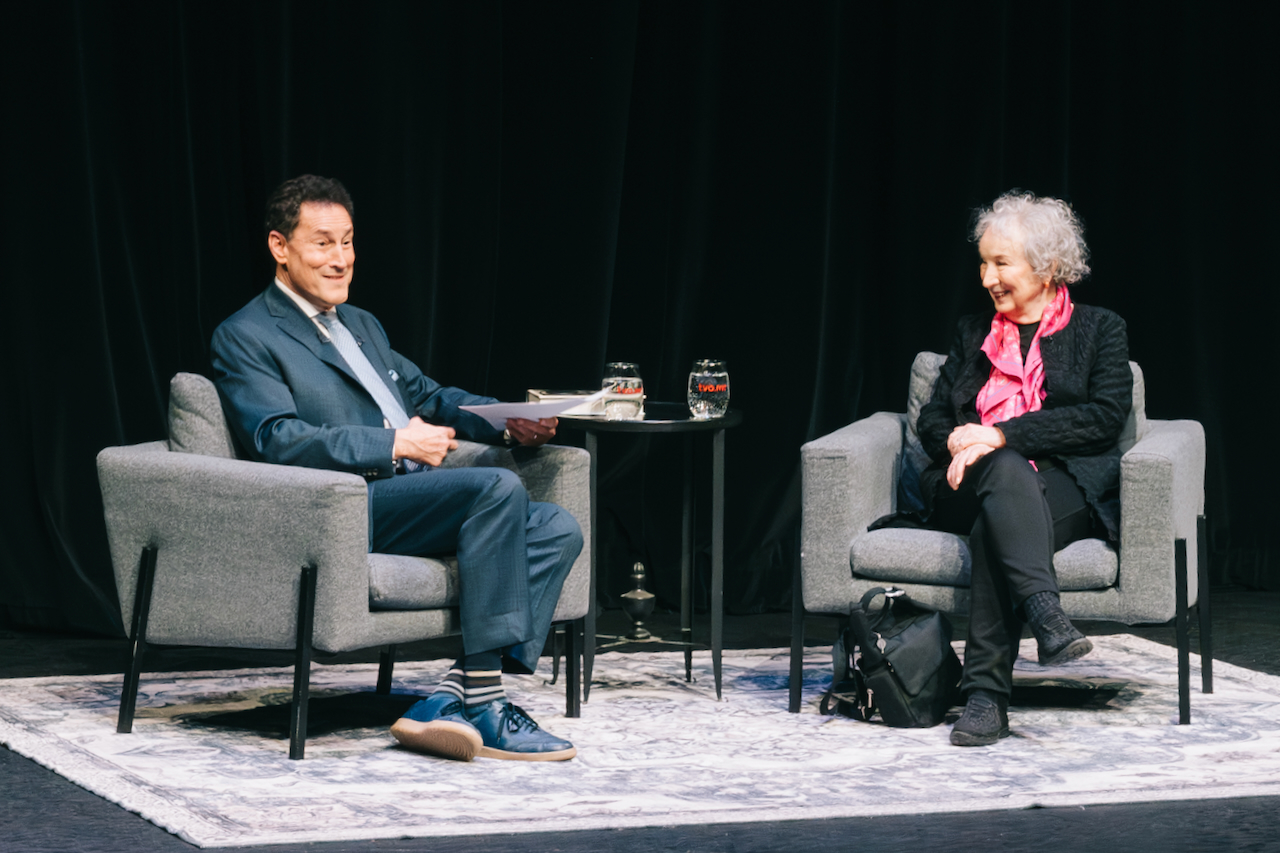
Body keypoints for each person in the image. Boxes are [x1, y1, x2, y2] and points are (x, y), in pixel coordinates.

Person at [211, 174, 583, 762]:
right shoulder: (246, 335)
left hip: (410, 499)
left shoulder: (361, 325)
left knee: (557, 527)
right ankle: (485, 704)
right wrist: (392, 444)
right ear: (280, 247)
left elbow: (430, 395)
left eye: (348, 243)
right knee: (494, 488)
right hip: (341, 506)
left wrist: (508, 420)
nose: (341, 261)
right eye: (323, 244)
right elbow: (275, 437)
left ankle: (451, 696)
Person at [915, 191, 1132, 747]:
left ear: (1048, 267)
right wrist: (965, 441)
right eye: (983, 262)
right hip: (964, 484)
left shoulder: (1100, 329)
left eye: (1001, 262)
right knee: (1002, 470)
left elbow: (1103, 418)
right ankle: (1045, 614)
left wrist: (1001, 434)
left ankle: (986, 697)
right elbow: (935, 416)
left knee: (1000, 518)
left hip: (1061, 486)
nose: (988, 276)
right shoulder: (972, 333)